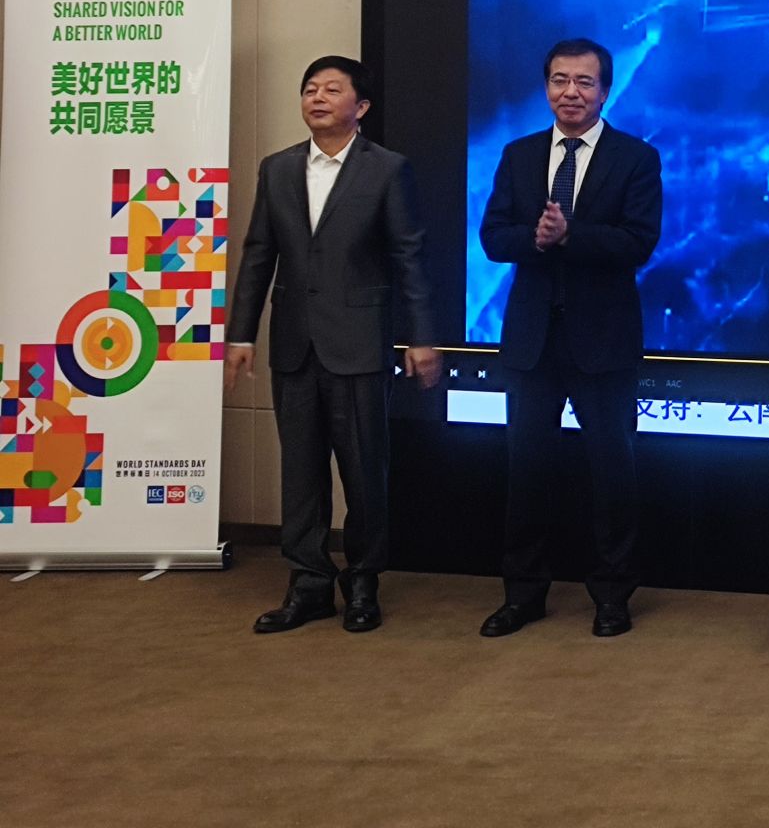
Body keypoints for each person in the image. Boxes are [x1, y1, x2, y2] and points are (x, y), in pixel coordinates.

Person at [226, 55, 442, 635]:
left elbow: (410, 257)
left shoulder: (387, 169)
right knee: (300, 473)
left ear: (360, 107)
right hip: (294, 343)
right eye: (309, 89)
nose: (317, 98)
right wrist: (241, 333)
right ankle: (308, 584)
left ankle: (364, 581)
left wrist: (421, 336)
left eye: (331, 90)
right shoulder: (277, 168)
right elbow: (258, 254)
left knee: (364, 471)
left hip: (360, 344)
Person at [477, 38, 661, 639]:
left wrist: (570, 235)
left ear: (605, 90)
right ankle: (523, 594)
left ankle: (612, 595)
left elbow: (639, 242)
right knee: (526, 471)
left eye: (584, 82)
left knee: (612, 471)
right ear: (546, 87)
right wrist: (535, 238)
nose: (571, 92)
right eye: (560, 80)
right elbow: (494, 237)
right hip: (532, 340)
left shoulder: (636, 157)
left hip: (603, 340)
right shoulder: (520, 154)